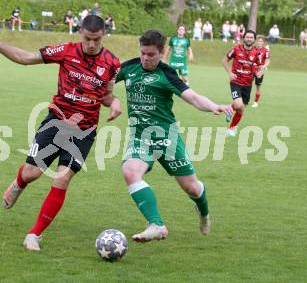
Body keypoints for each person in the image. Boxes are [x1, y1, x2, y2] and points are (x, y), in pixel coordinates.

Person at [0, 15, 121, 251]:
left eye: (96, 39)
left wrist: (114, 102)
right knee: (33, 173)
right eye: (87, 39)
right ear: (80, 33)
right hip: (57, 121)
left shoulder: (112, 63)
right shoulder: (66, 50)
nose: (91, 44)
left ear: (103, 35)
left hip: (84, 130)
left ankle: (34, 234)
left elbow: (106, 95)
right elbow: (26, 58)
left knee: (62, 178)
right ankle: (19, 182)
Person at [115, 29, 232, 242]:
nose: (145, 58)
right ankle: (156, 225)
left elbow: (193, 97)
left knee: (192, 188)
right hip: (141, 136)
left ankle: (204, 213)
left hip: (167, 138)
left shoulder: (166, 73)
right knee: (130, 171)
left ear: (161, 53)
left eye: (151, 55)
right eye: (143, 53)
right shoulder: (129, 67)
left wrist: (214, 106)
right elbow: (103, 81)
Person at [223, 30, 263, 136]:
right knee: (239, 105)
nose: (249, 39)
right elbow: (224, 60)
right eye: (247, 37)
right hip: (235, 81)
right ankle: (231, 114)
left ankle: (231, 125)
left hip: (247, 84)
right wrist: (229, 73)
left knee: (241, 109)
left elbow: (260, 66)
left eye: (251, 37)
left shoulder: (257, 53)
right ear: (243, 38)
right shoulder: (236, 49)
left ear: (254, 40)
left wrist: (259, 72)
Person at [252, 36, 270, 108]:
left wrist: (263, 67)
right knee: (246, 85)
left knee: (258, 86)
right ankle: (244, 100)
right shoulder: (252, 49)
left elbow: (268, 61)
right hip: (251, 69)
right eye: (258, 41)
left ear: (263, 42)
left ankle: (256, 102)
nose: (259, 42)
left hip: (259, 70)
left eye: (261, 41)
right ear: (256, 42)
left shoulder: (266, 50)